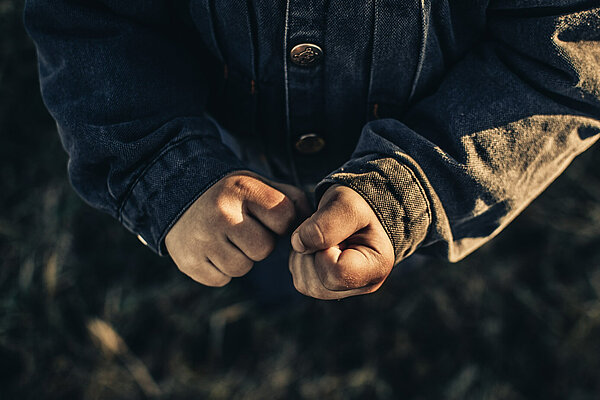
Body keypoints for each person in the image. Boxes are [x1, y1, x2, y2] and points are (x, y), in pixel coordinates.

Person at [25, 1, 600, 300]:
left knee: (386, 259)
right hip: (225, 152)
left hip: (440, 152)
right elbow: (92, 19)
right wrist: (163, 165)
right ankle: (273, 280)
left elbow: (564, 59)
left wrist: (413, 192)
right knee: (254, 251)